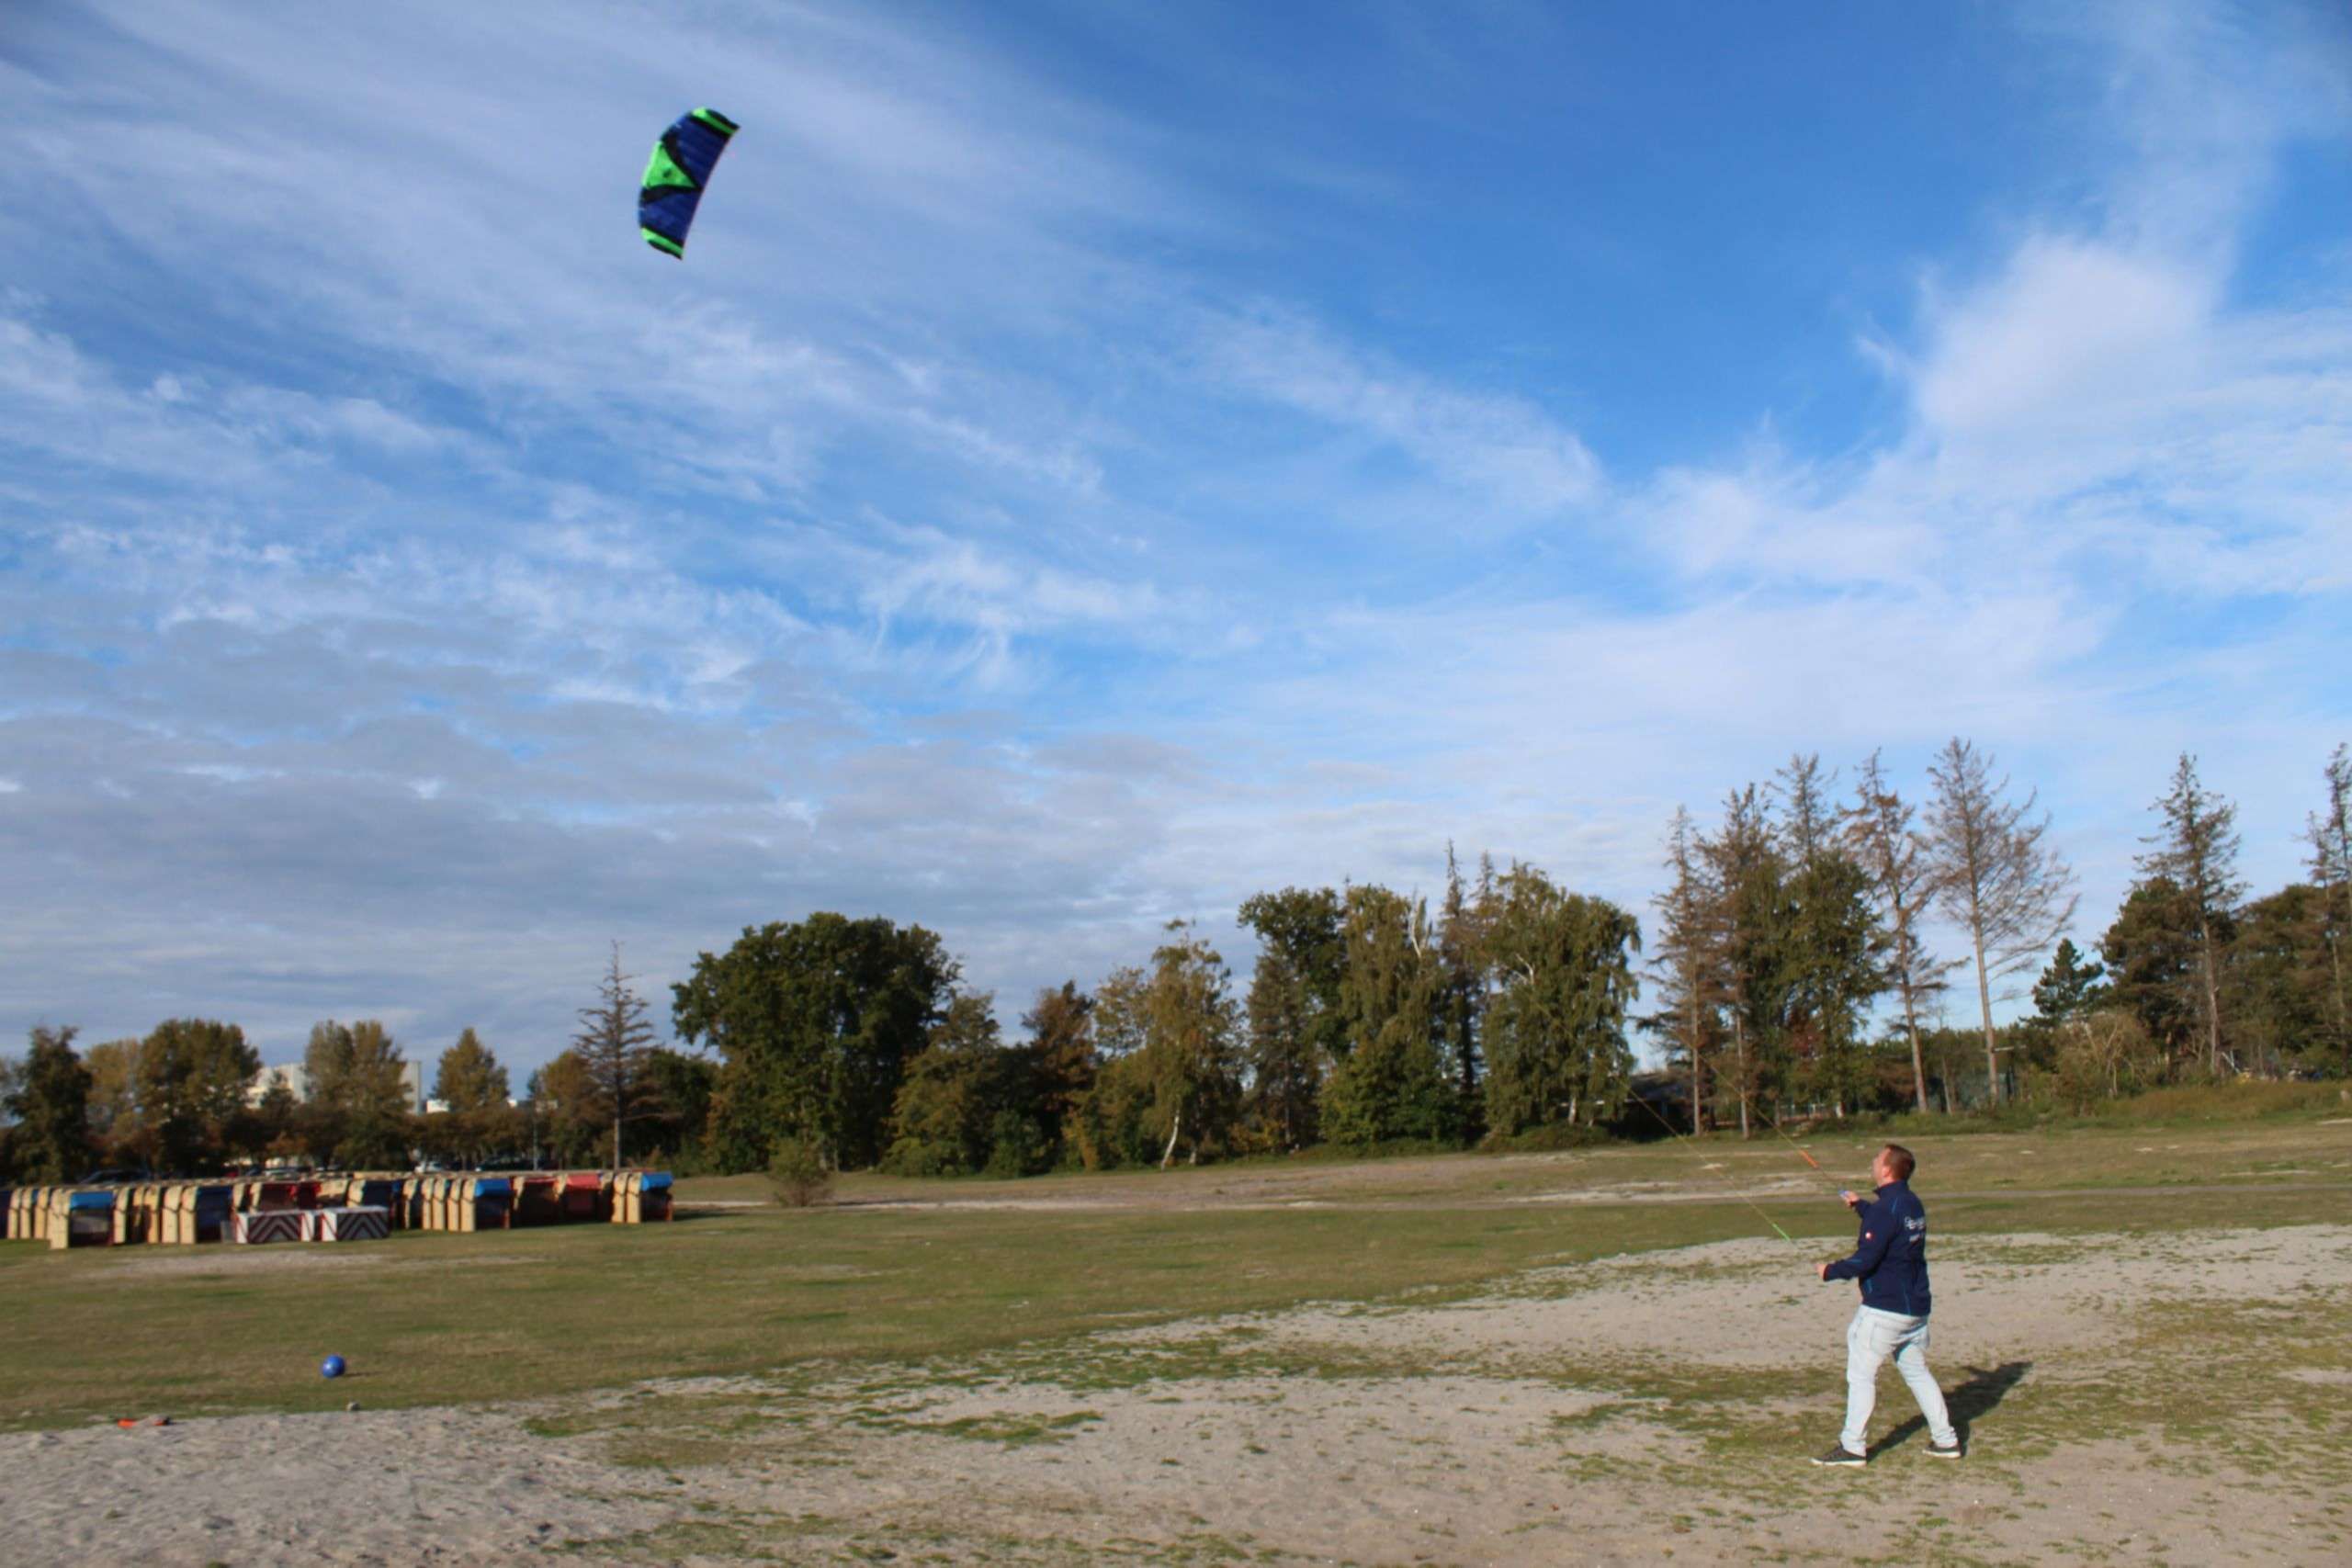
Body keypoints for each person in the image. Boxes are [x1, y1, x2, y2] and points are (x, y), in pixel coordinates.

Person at [1810, 1142, 1962, 1465]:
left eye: (1877, 1159)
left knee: (1861, 1375)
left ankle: (1852, 1447)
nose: (1873, 1163)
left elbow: (1864, 1261)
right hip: (1915, 1310)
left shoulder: (1885, 1210)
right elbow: (1890, 1226)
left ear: (1887, 1169)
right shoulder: (1910, 1203)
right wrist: (1861, 1206)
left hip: (1885, 1310)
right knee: (1917, 1372)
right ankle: (1946, 1440)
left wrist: (1829, 1271)